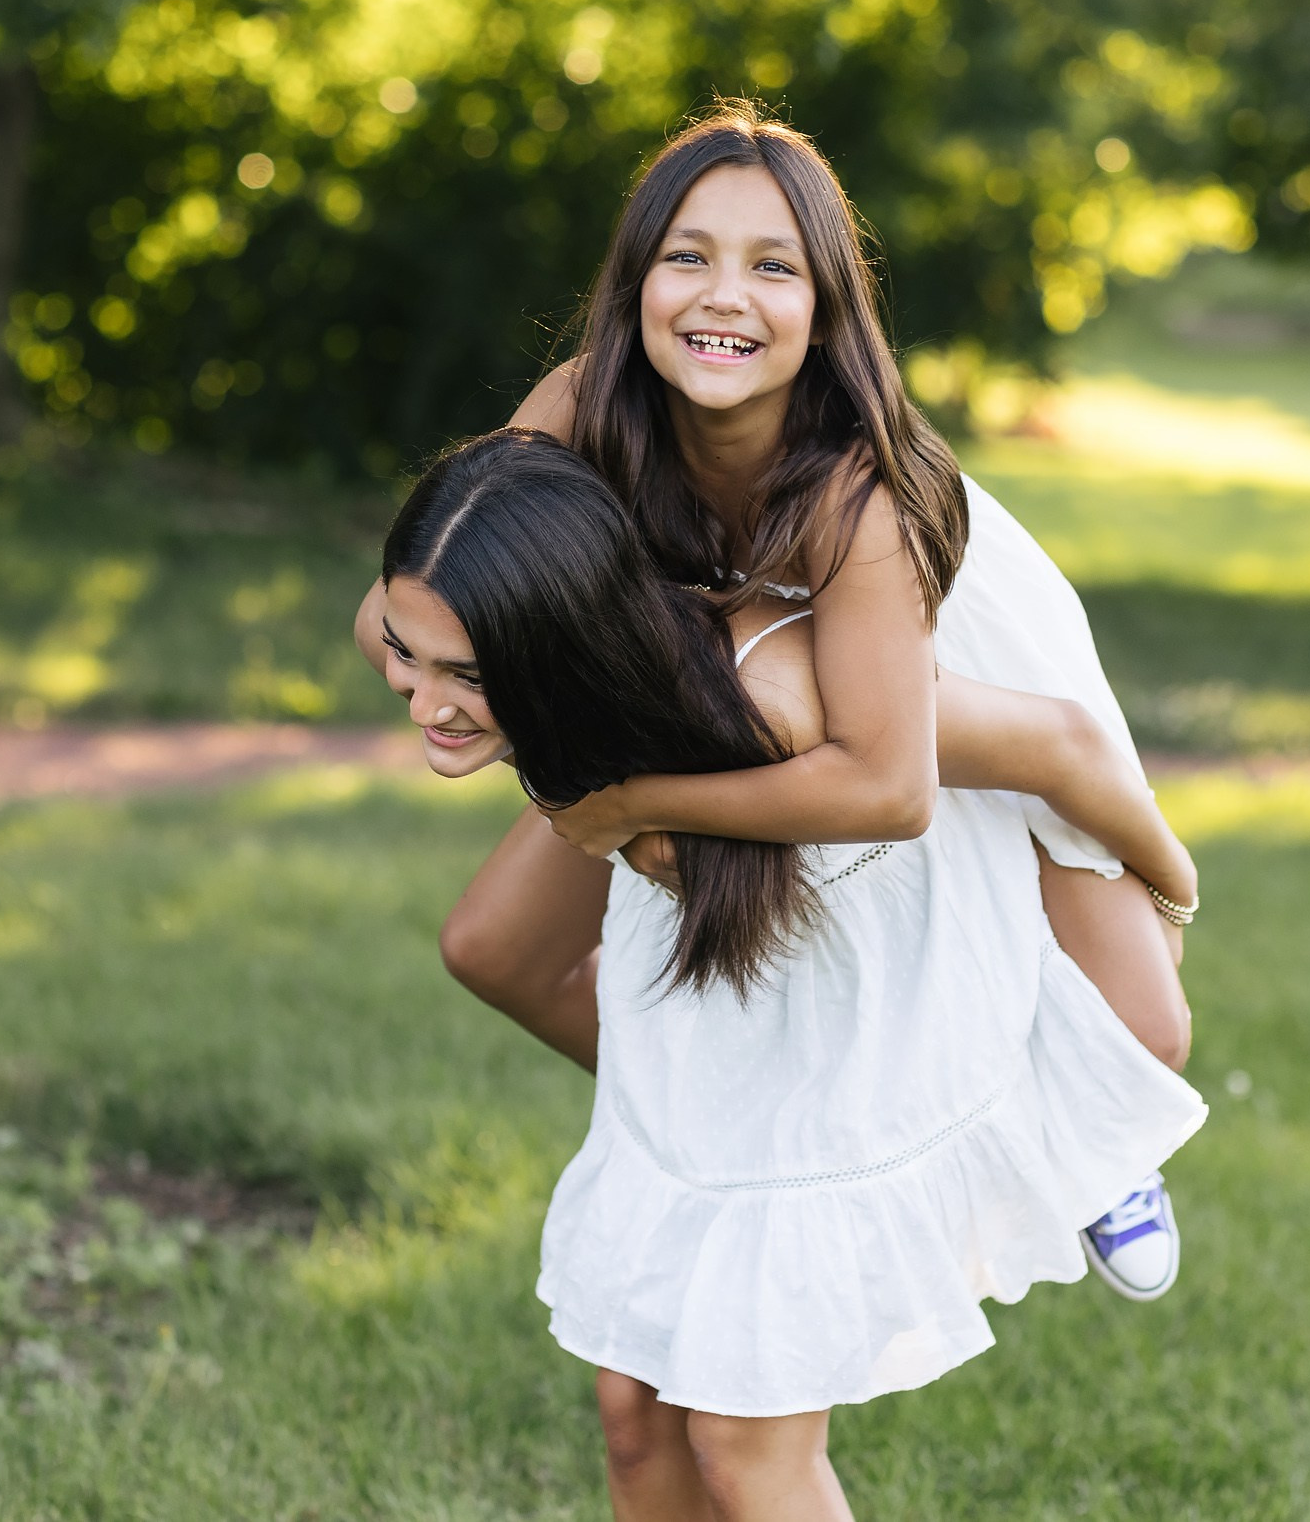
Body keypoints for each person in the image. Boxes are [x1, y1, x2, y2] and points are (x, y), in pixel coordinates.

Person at [353, 103, 1197, 1297]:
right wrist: (480, 694)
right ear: (635, 280)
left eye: (772, 266)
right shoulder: (578, 409)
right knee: (494, 947)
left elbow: (899, 782)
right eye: (686, 256)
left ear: (826, 307)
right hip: (698, 674)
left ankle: (1088, 1146)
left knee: (1144, 1032)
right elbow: (406, 609)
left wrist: (1169, 873)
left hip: (915, 663)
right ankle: (744, 1139)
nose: (721, 296)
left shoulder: (857, 496)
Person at [379, 429, 1207, 1520]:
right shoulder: (560, 688)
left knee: (739, 1439)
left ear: (558, 643)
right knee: (636, 1414)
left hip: (892, 1000)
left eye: (467, 676)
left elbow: (1058, 745)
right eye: (404, 653)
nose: (424, 705)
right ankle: (695, 1155)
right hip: (751, 1011)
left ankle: (1076, 1146)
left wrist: (1169, 889)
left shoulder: (777, 689)